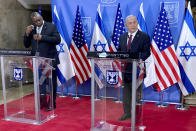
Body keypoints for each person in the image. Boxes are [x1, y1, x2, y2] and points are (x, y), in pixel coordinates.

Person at [24, 12, 61, 111]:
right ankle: (43, 101)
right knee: (40, 83)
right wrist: (27, 34)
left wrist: (42, 37)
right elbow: (26, 44)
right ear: (33, 21)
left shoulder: (51, 26)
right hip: (37, 62)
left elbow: (58, 40)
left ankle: (52, 103)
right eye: (35, 21)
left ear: (42, 17)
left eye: (39, 20)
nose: (38, 22)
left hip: (50, 60)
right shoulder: (32, 30)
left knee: (51, 83)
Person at [117, 15, 151, 121]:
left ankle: (137, 115)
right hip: (125, 70)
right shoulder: (122, 37)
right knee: (126, 95)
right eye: (130, 23)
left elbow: (147, 53)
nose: (133, 25)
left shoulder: (144, 36)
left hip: (137, 71)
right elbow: (119, 52)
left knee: (136, 95)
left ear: (137, 23)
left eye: (134, 22)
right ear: (126, 25)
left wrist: (136, 59)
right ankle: (127, 113)